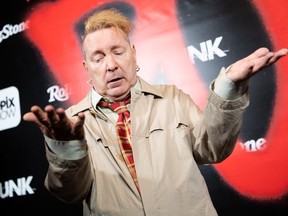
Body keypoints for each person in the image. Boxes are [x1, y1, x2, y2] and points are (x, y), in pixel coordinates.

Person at [23, 8, 288, 216]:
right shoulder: (71, 123)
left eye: (118, 51)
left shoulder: (172, 98)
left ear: (134, 55)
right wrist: (68, 150)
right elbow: (69, 192)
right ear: (87, 69)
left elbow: (212, 149)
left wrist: (228, 88)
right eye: (99, 57)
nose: (111, 65)